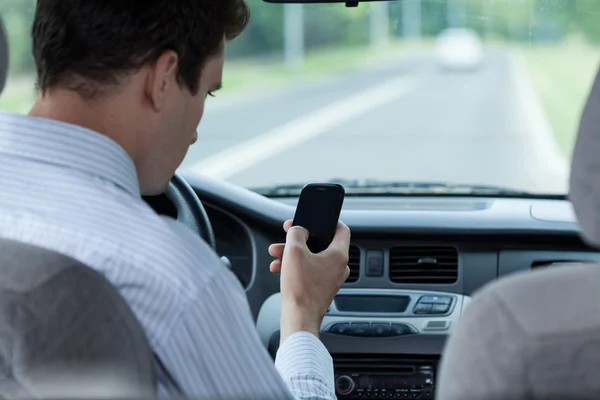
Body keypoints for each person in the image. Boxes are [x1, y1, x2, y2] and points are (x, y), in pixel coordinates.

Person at [0, 1, 351, 399]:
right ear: (163, 78)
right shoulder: (171, 275)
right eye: (207, 92)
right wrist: (301, 315)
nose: (195, 133)